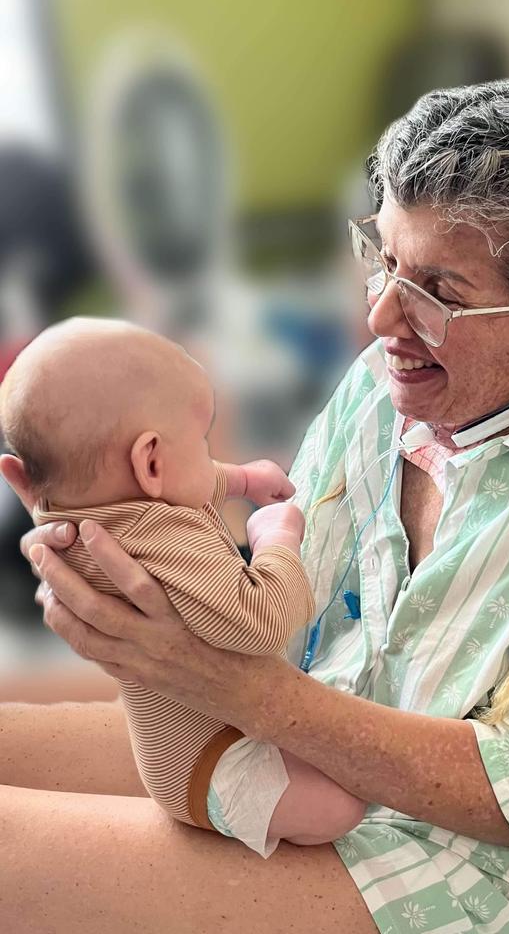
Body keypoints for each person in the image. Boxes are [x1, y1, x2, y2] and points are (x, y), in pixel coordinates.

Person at [1, 74, 509, 934]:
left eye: (440, 295)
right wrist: (134, 616)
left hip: (435, 864)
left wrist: (227, 683)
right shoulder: (391, 388)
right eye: (382, 258)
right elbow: (282, 619)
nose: (380, 316)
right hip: (287, 746)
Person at [0, 316, 365, 854]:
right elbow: (262, 624)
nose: (208, 453)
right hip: (213, 763)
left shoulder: (83, 514)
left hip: (180, 742)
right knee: (343, 806)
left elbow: (178, 481)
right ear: (151, 460)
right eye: (199, 438)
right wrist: (276, 541)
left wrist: (238, 479)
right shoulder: (160, 540)